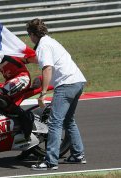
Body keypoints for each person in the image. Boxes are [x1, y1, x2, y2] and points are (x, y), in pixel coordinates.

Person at [26, 18, 87, 170]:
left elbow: (48, 68)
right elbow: (50, 64)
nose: (29, 38)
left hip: (66, 84)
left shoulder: (43, 46)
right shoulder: (50, 41)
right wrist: (41, 79)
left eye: (29, 34)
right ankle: (78, 155)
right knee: (68, 120)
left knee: (54, 122)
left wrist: (43, 92)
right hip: (78, 81)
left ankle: (50, 161)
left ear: (33, 34)